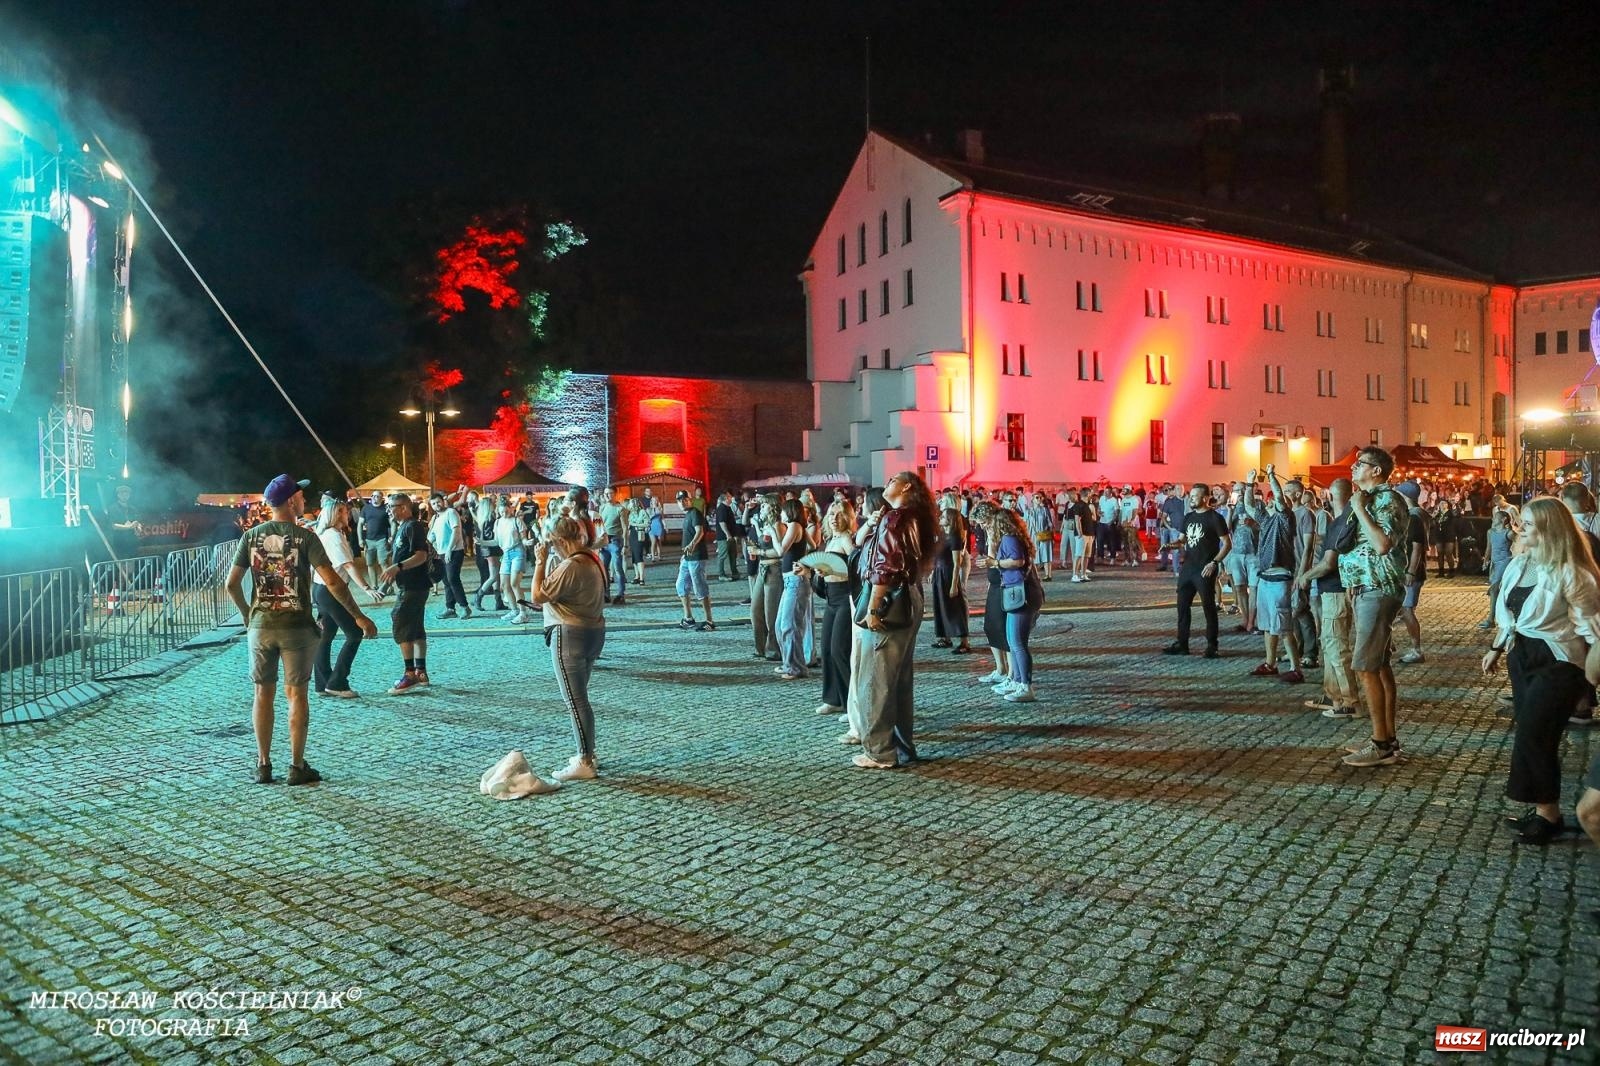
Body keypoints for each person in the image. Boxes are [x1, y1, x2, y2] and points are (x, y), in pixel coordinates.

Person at [225, 475, 378, 785]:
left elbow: (231, 584)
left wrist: (247, 615)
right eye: (301, 496)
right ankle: (296, 766)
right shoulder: (305, 538)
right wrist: (359, 616)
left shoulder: (250, 537)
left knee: (262, 694)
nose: (304, 501)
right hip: (296, 626)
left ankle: (264, 764)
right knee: (297, 695)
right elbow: (332, 581)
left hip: (261, 626)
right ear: (291, 502)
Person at [1483, 497, 1600, 843]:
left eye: (1530, 524)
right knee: (1537, 735)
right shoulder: (1520, 565)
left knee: (1533, 732)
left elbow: (1590, 628)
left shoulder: (1574, 573)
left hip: (1559, 661)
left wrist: (1590, 676)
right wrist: (1496, 646)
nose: (1521, 528)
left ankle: (1548, 815)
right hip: (1522, 655)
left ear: (1549, 529)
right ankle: (1545, 811)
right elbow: (1511, 614)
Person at [849, 471, 938, 768]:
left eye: (893, 480)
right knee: (898, 679)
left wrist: (874, 608)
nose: (887, 483)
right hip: (909, 596)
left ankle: (879, 751)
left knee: (876, 679)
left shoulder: (896, 519)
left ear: (906, 486)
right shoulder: (912, 517)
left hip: (890, 600)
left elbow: (885, 568)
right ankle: (900, 746)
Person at [1338, 446, 1411, 767]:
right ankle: (1385, 737)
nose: (1353, 468)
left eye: (1360, 464)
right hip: (1368, 588)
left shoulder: (1386, 500)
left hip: (1379, 588)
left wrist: (1358, 507)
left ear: (1376, 470)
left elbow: (1382, 544)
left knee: (1365, 666)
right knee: (1379, 665)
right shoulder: (1372, 499)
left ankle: (1381, 743)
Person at [531, 515, 608, 783]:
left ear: (561, 541)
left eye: (552, 544)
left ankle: (585, 760)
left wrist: (540, 562)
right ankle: (587, 753)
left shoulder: (571, 565)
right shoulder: (593, 559)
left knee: (576, 702)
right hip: (593, 631)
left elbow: (538, 595)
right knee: (580, 698)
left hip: (570, 633)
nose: (551, 548)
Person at [1299, 478, 1360, 719]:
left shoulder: (1342, 521)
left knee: (1336, 647)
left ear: (1331, 496)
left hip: (1335, 591)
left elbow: (1329, 563)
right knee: (1329, 643)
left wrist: (1306, 576)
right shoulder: (1344, 520)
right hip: (1332, 591)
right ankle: (1332, 694)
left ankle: (1349, 701)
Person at [312, 499, 384, 698]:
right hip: (330, 590)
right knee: (354, 633)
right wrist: (367, 588)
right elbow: (348, 566)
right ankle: (338, 682)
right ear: (336, 514)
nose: (348, 515)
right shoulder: (333, 536)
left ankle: (322, 683)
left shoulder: (327, 534)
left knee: (325, 636)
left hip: (320, 588)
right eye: (344, 512)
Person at [801, 498, 858, 716]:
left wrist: (834, 572)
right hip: (831, 600)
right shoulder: (830, 540)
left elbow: (856, 572)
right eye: (831, 514)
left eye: (839, 514)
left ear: (847, 518)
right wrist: (809, 572)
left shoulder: (845, 540)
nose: (834, 519)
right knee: (825, 649)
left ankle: (851, 703)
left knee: (839, 650)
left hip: (845, 598)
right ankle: (833, 698)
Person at [1250, 467, 1305, 684]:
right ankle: (1270, 663)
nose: (1271, 503)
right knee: (1267, 625)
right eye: (1270, 503)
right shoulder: (1266, 520)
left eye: (1273, 503)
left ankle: (1296, 668)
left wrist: (1272, 476)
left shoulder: (1285, 519)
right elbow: (1248, 506)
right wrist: (1249, 484)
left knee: (1283, 626)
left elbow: (1281, 500)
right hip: (1265, 576)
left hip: (1280, 577)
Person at [1165, 483, 1230, 658]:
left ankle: (1212, 645)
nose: (1191, 499)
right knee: (1182, 607)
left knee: (1208, 607)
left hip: (1205, 569)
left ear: (1205, 498)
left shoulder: (1214, 518)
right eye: (1190, 496)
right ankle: (1182, 643)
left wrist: (1214, 562)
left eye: (1194, 496)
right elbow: (1182, 540)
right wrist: (1170, 545)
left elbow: (1227, 544)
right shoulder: (1189, 517)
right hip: (1189, 568)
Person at [379, 493, 435, 694]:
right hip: (412, 585)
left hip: (413, 585)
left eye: (391, 506)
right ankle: (421, 671)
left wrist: (398, 567)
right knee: (416, 627)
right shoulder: (403, 527)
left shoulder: (413, 527)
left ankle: (410, 673)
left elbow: (420, 555)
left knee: (400, 622)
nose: (389, 511)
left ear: (403, 507)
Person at [987, 505, 1045, 701]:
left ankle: (1025, 686)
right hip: (1018, 592)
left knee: (1017, 644)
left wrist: (995, 563)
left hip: (1020, 594)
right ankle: (1017, 680)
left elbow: (1017, 561)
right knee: (1014, 642)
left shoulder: (1009, 538)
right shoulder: (1014, 537)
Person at [772, 499, 811, 679]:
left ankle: (795, 667)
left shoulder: (795, 525)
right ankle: (790, 663)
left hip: (795, 581)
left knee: (789, 625)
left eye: (783, 511)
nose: (780, 515)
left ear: (790, 512)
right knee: (781, 624)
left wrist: (772, 532)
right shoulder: (797, 527)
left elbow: (781, 550)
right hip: (790, 581)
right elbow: (813, 544)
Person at [746, 495, 784, 661]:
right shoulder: (767, 525)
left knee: (771, 612)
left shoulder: (778, 525)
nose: (761, 509)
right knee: (755, 609)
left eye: (764, 506)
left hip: (774, 568)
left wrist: (759, 552)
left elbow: (780, 551)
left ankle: (774, 649)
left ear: (773, 507)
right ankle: (760, 646)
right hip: (762, 568)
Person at [930, 507, 972, 653]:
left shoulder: (955, 537)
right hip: (939, 572)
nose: (940, 517)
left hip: (948, 573)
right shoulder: (942, 535)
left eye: (944, 516)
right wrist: (933, 572)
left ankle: (964, 642)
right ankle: (945, 637)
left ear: (950, 519)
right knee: (940, 606)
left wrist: (954, 584)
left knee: (954, 607)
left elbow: (956, 563)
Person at [674, 489, 715, 631]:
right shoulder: (687, 515)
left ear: (690, 500)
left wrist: (691, 545)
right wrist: (685, 554)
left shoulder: (695, 514)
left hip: (697, 556)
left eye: (685, 499)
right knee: (681, 586)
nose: (683, 502)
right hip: (687, 557)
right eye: (680, 500)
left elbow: (700, 531)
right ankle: (688, 618)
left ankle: (709, 621)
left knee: (700, 588)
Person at [426, 492, 470, 619]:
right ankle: (450, 608)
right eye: (433, 503)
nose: (436, 505)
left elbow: (456, 531)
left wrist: (450, 549)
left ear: (443, 501)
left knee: (452, 578)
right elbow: (431, 537)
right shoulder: (436, 518)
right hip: (441, 552)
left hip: (455, 550)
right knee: (446, 580)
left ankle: (464, 607)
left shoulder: (451, 512)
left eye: (438, 502)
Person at [1226, 480, 1260, 635]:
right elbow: (1226, 529)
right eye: (1235, 490)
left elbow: (1265, 525)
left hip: (1254, 553)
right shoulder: (1233, 507)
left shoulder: (1257, 505)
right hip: (1237, 553)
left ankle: (1253, 622)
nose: (1237, 493)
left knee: (1253, 589)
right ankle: (1245, 620)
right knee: (1239, 587)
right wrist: (1229, 511)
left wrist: (1252, 523)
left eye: (1240, 490)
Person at [470, 490, 506, 613]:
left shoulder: (483, 519)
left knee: (496, 575)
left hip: (488, 549)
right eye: (492, 503)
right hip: (492, 548)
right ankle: (478, 597)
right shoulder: (490, 519)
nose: (494, 504)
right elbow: (491, 536)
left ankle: (498, 601)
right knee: (494, 576)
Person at [1481, 506, 1515, 630]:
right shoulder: (1490, 532)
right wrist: (1486, 560)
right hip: (1495, 563)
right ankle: (1499, 617)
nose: (1493, 519)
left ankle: (1491, 619)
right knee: (1497, 591)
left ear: (1503, 519)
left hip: (1505, 561)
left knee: (1494, 589)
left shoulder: (1509, 533)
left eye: (1496, 517)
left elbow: (1520, 544)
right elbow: (1489, 547)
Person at [597, 487, 629, 606]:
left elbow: (625, 528)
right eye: (606, 494)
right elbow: (599, 525)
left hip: (615, 540)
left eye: (610, 493)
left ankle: (621, 594)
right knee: (604, 569)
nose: (607, 496)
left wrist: (625, 545)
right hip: (604, 540)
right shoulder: (602, 508)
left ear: (615, 494)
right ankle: (606, 593)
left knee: (617, 569)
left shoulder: (621, 509)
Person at [360, 490, 392, 592]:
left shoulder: (385, 509)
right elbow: (360, 524)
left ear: (381, 498)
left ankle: (388, 586)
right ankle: (374, 585)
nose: (375, 498)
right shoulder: (366, 508)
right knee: (370, 564)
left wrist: (392, 537)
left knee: (383, 563)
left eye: (377, 496)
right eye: (373, 496)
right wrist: (360, 539)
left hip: (382, 539)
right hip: (369, 540)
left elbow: (392, 523)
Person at [627, 494, 651, 586]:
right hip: (632, 534)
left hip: (639, 534)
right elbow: (629, 523)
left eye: (633, 504)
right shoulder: (631, 513)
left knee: (638, 555)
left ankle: (641, 578)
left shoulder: (642, 512)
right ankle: (636, 576)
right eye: (631, 505)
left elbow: (647, 523)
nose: (632, 506)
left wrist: (636, 524)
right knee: (634, 556)